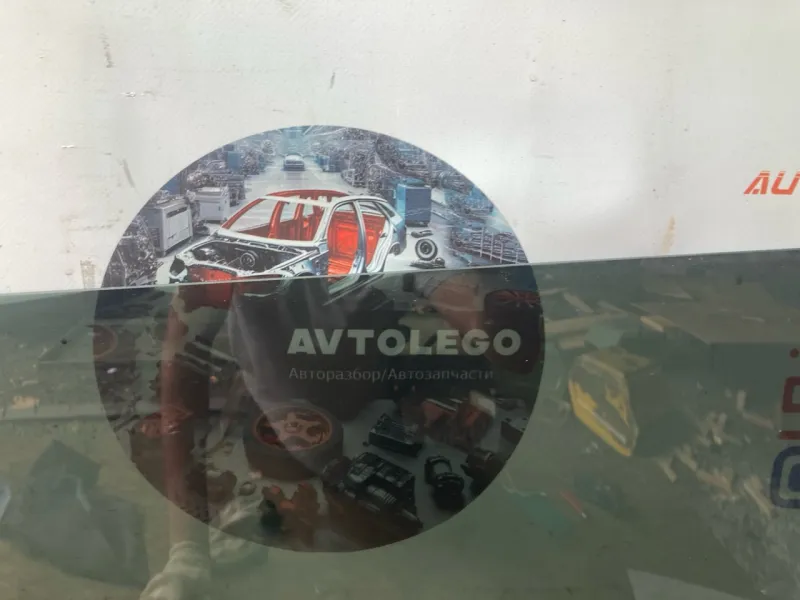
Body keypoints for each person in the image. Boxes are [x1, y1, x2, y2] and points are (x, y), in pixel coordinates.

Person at [139, 265, 543, 599]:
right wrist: (187, 550)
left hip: (364, 420)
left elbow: (502, 343)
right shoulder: (234, 244)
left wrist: (499, 318)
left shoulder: (393, 230)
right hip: (270, 425)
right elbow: (181, 379)